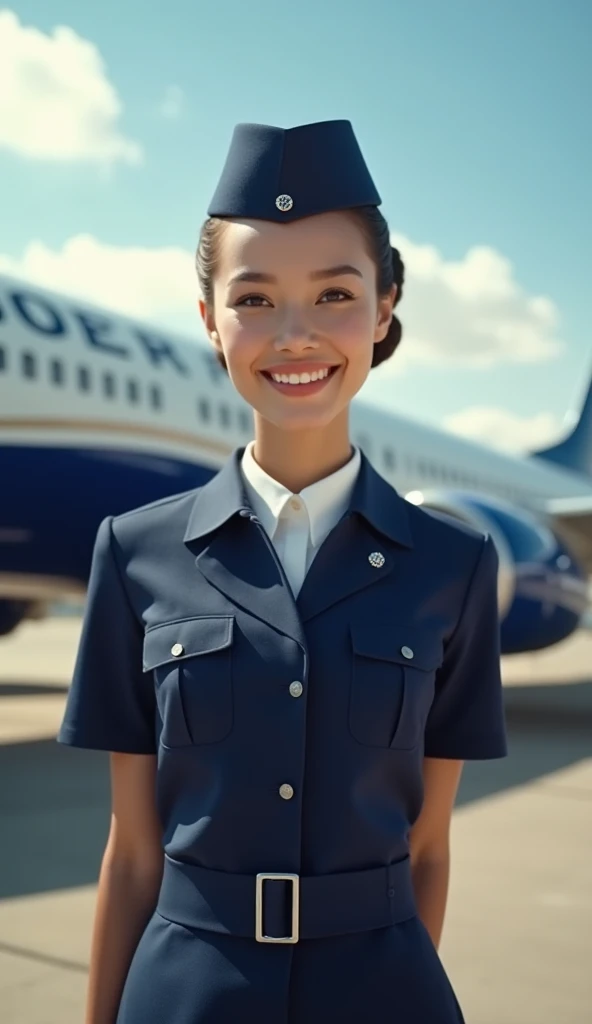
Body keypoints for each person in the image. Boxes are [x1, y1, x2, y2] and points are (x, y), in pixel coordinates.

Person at [57, 119, 507, 1024]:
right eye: (255, 299)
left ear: (383, 311)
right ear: (210, 323)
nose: (295, 336)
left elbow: (427, 850)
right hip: (183, 993)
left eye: (335, 293)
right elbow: (134, 852)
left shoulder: (455, 566)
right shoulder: (134, 552)